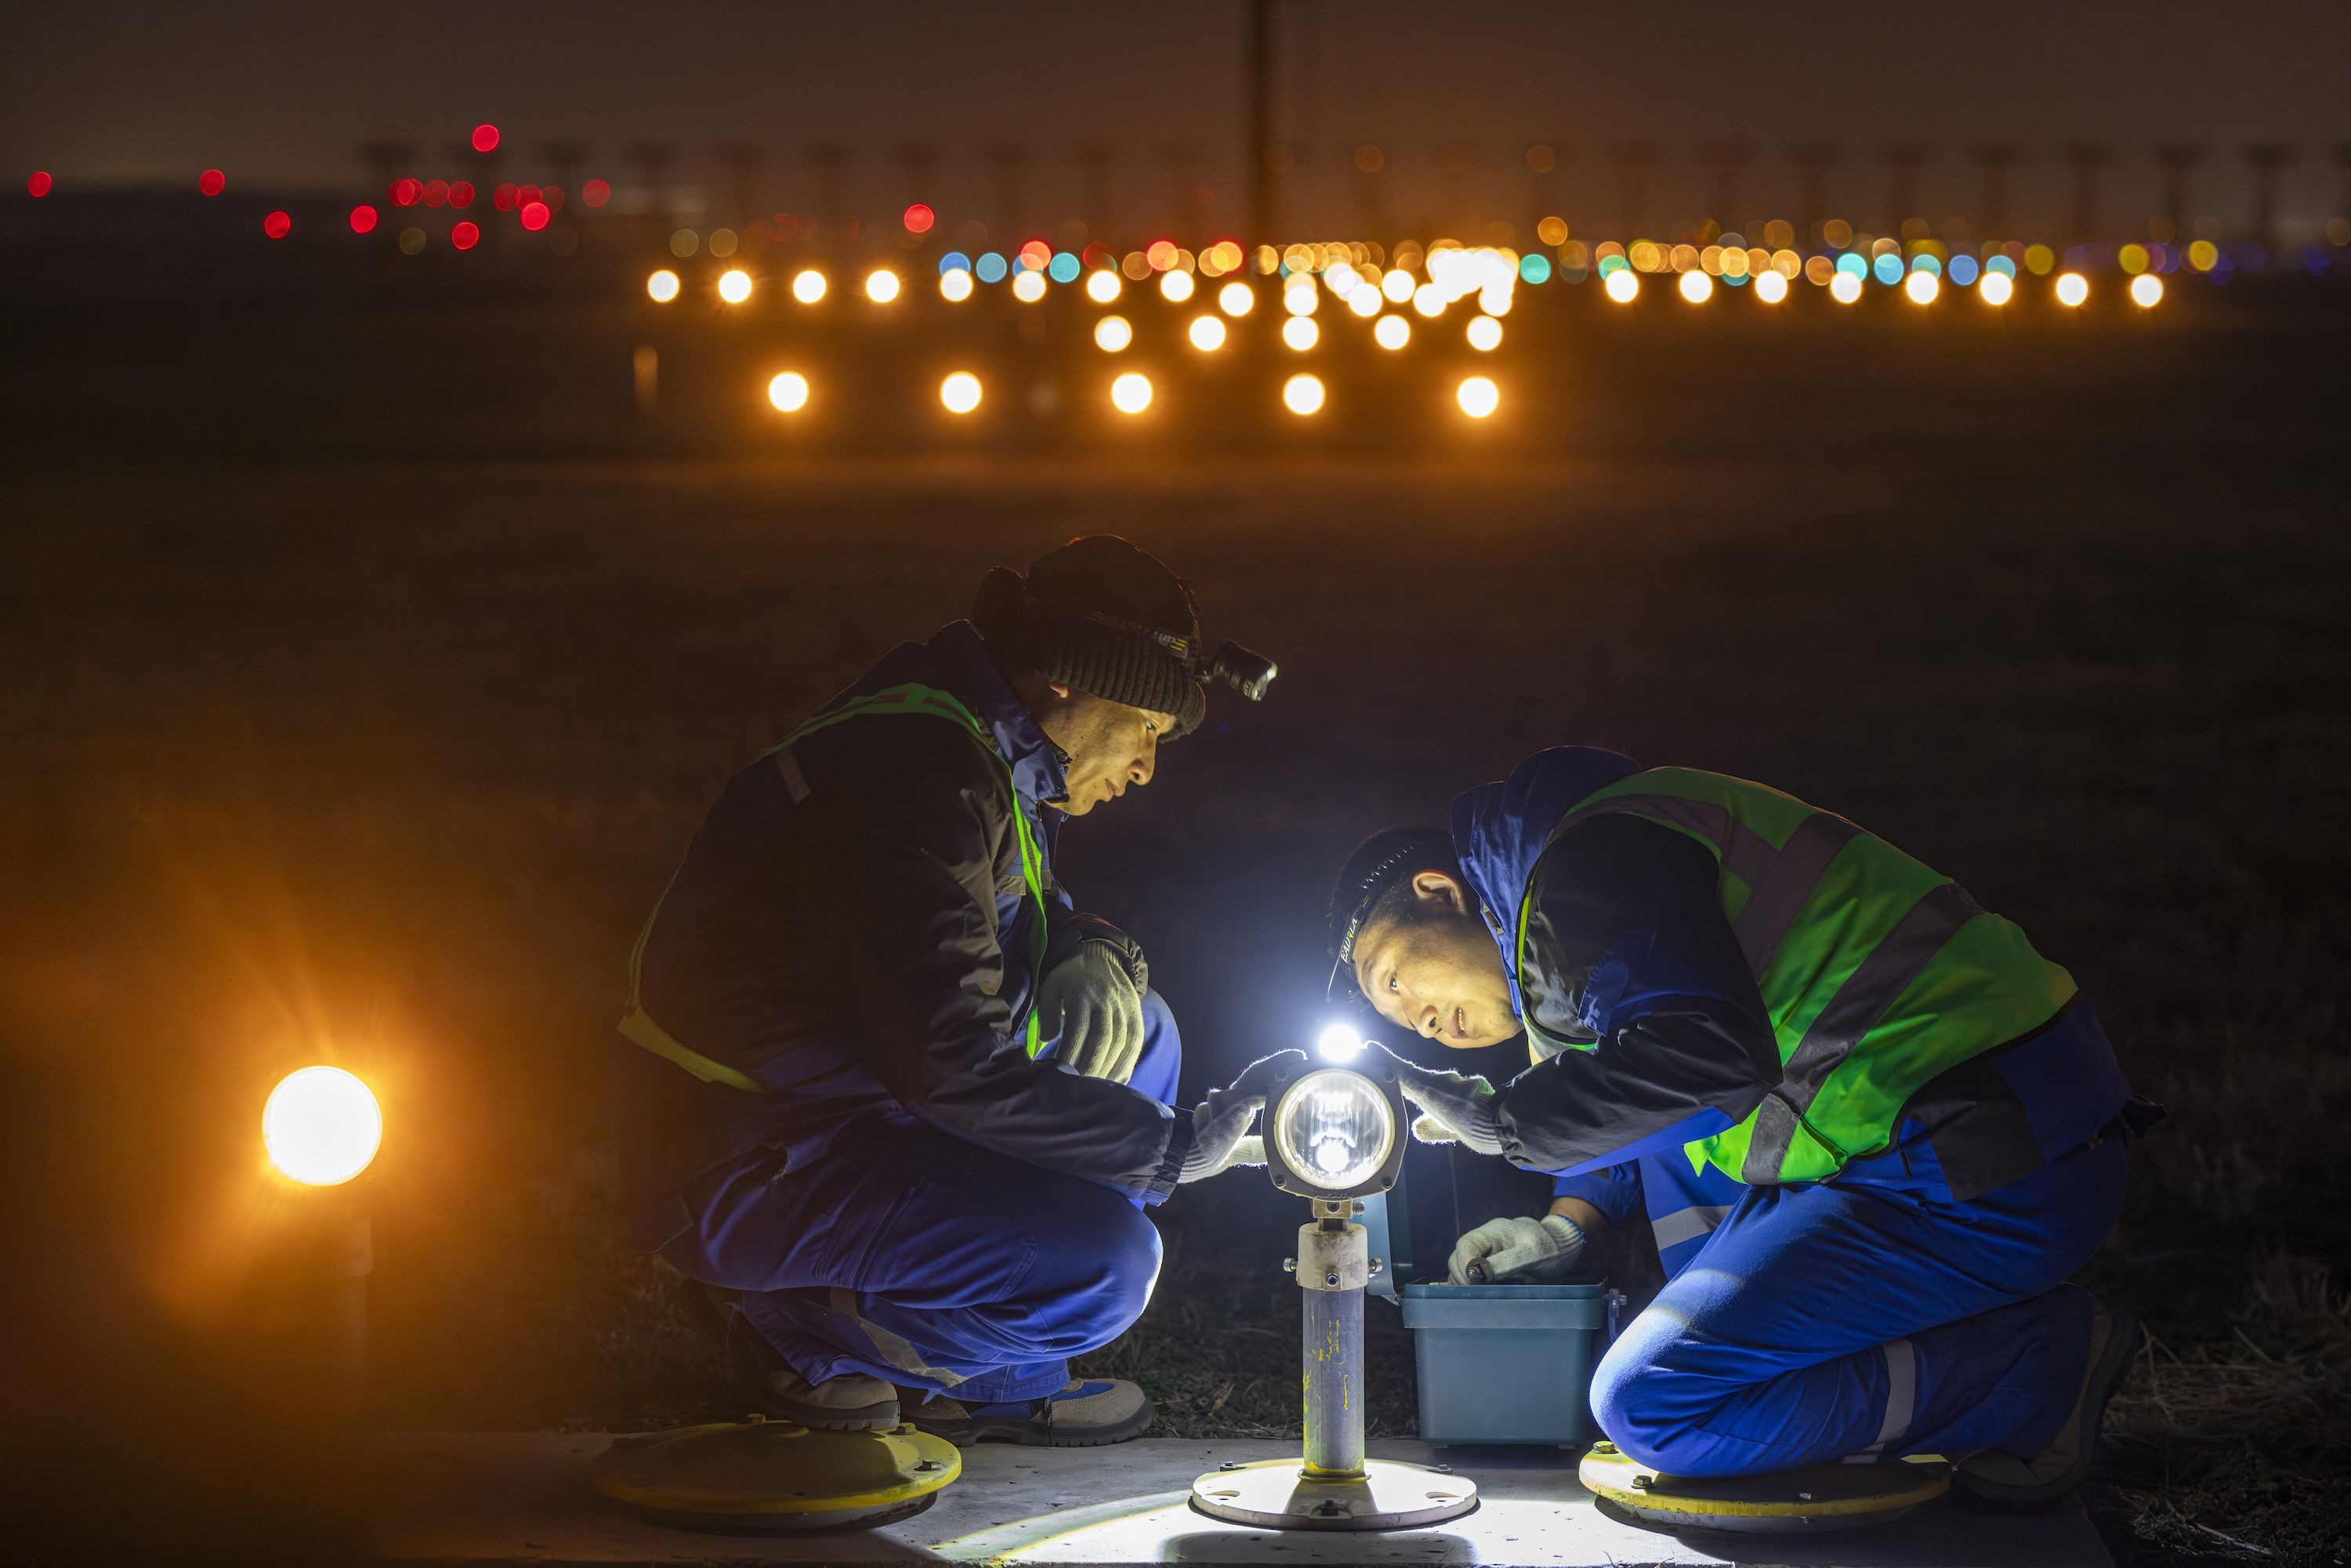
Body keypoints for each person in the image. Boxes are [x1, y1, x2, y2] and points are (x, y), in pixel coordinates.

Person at [1328, 746, 2155, 1508]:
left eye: (1395, 979)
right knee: (1658, 1247)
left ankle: (2037, 1367)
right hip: (1973, 1127)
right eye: (1399, 1018)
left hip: (1988, 1161)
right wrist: (1564, 1224)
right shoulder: (1573, 877)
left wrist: (1504, 1123)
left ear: (1440, 892)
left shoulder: (1582, 872)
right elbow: (1655, 1089)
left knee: (1651, 1408)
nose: (1421, 1022)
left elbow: (1708, 1059)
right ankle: (1802, 1362)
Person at [614, 536, 1293, 1447]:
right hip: (747, 1151)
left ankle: (993, 1369)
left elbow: (1008, 923)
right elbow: (948, 1063)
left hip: (841, 1103)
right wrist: (1169, 1147)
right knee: (1107, 1270)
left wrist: (1096, 953)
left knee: (1141, 1030)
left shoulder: (980, 746)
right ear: (1066, 680)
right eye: (1147, 728)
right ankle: (800, 1328)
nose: (1144, 768)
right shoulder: (918, 774)